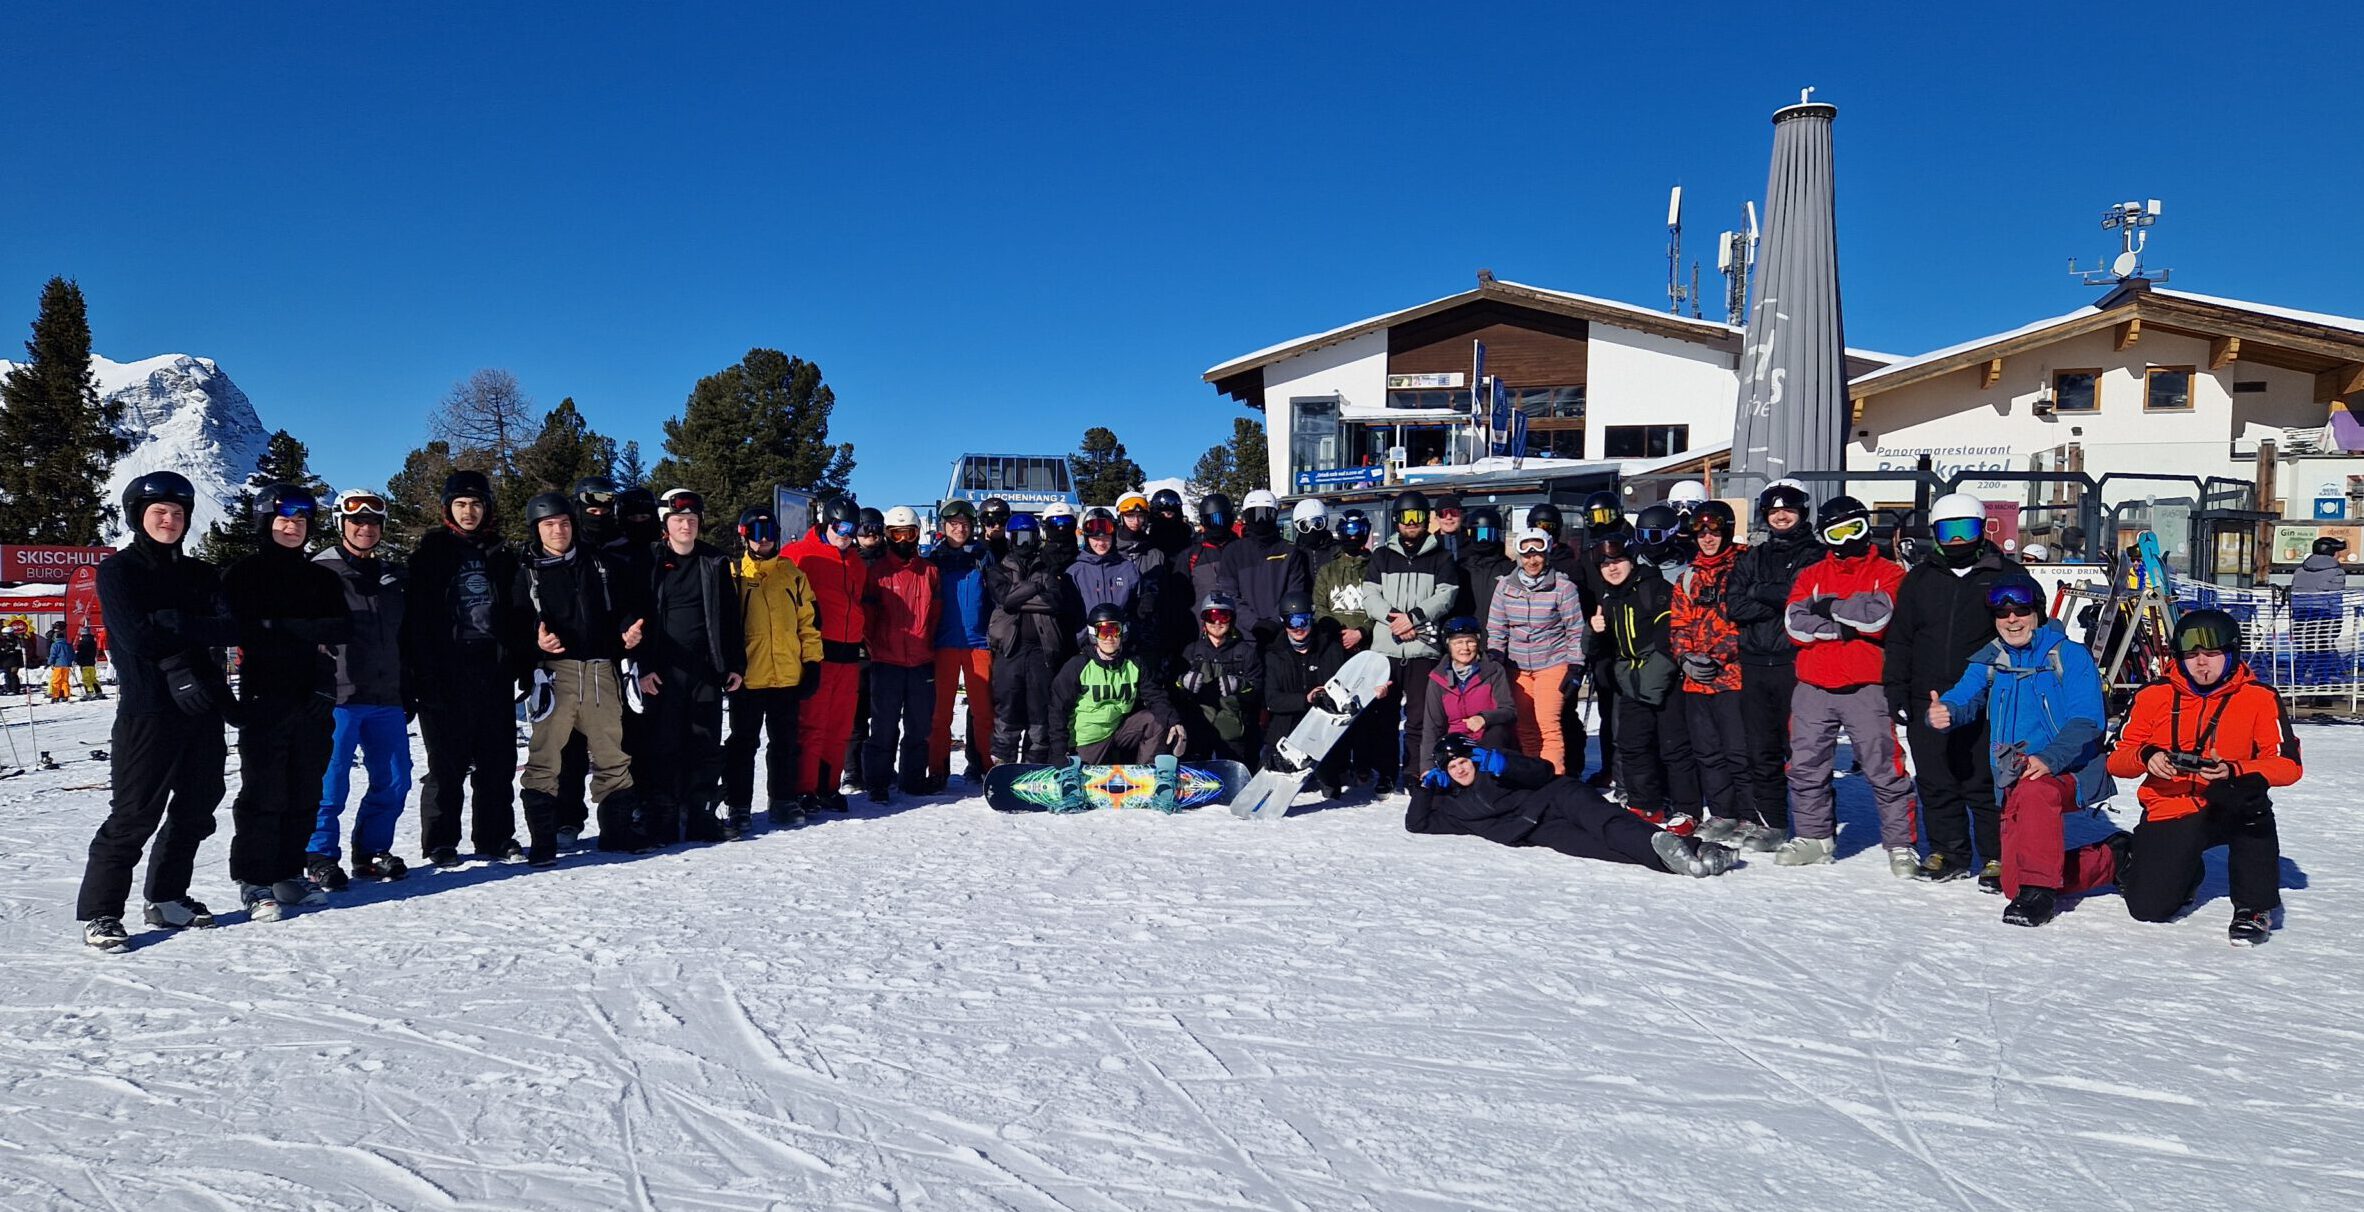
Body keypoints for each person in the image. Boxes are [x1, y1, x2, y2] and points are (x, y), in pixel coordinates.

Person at [78, 472, 238, 949]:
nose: (169, 520)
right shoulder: (119, 571)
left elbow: (227, 628)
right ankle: (102, 913)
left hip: (202, 709)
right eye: (159, 513)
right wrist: (185, 643)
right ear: (138, 518)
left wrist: (178, 622)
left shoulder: (202, 574)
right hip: (148, 711)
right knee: (133, 814)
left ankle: (167, 897)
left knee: (197, 806)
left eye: (177, 513)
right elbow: (136, 638)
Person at [1926, 576, 2120, 927]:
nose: (2011, 619)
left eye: (2021, 610)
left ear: (2038, 613)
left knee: (2036, 794)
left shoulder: (2070, 656)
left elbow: (2088, 720)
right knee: (2014, 883)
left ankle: (2040, 895)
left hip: (2069, 770)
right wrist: (1948, 711)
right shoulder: (1991, 658)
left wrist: (2049, 758)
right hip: (2013, 775)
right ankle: (2115, 858)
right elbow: (1965, 694)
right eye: (2003, 612)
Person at [2105, 609, 2303, 943]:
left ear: (2231, 653)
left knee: (2251, 795)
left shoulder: (2259, 697)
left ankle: (2253, 907)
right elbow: (2114, 759)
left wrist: (2235, 769)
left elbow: (2288, 765)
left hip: (2230, 803)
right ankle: (2138, 854)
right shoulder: (2154, 695)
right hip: (2172, 804)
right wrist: (2147, 757)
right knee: (2149, 908)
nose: (2201, 663)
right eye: (2192, 655)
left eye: (2212, 655)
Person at [222, 484, 353, 921]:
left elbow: (340, 628)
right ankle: (254, 878)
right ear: (265, 522)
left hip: (313, 695)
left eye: (300, 521)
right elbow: (231, 634)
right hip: (264, 696)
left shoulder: (320, 577)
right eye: (283, 520)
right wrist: (296, 630)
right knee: (264, 790)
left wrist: (281, 629)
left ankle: (287, 872)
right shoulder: (242, 575)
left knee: (306, 788)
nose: (293, 527)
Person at [1886, 492, 2024, 887]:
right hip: (1927, 695)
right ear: (1936, 534)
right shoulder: (1921, 578)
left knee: (1984, 777)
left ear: (1982, 531)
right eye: (1950, 531)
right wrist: (1896, 688)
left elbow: (2028, 630)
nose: (1958, 539)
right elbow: (1901, 638)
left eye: (1967, 529)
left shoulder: (2005, 576)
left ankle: (1996, 854)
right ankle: (1948, 850)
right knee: (1935, 775)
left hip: (1987, 694)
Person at [1777, 495, 1920, 873]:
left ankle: (1901, 843)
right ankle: (1814, 835)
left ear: (1865, 528)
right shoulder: (1810, 575)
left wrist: (1827, 608)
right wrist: (1845, 621)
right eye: (1836, 533)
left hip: (1866, 684)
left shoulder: (1888, 573)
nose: (1847, 540)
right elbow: (1794, 623)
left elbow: (1879, 618)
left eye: (1853, 529)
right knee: (1806, 764)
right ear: (1825, 536)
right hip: (1813, 684)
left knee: (1883, 767)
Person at [512, 491, 646, 864]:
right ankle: (544, 841)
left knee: (613, 755)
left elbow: (620, 609)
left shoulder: (599, 564)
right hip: (556, 675)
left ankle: (616, 833)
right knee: (545, 757)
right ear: (537, 529)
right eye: (550, 525)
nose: (559, 531)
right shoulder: (527, 571)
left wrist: (626, 633)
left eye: (565, 523)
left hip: (601, 670)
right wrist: (535, 641)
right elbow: (514, 623)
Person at [402, 470, 521, 866]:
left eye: (476, 504)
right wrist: (420, 674)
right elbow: (415, 621)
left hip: (492, 668)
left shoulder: (501, 554)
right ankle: (440, 841)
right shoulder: (429, 554)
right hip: (444, 670)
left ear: (486, 509)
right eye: (461, 504)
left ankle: (495, 836)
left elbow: (519, 611)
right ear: (447, 509)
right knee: (446, 764)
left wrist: (518, 659)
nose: (469, 512)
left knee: (497, 760)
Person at [1405, 735, 1732, 877]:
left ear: (1474, 758)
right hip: (1541, 830)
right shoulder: (1454, 810)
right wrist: (1425, 790)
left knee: (1607, 824)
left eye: (1463, 761)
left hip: (1559, 797)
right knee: (1601, 848)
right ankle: (1684, 858)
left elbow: (1543, 772)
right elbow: (1416, 824)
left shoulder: (1495, 768)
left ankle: (1693, 849)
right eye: (1452, 767)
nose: (1461, 769)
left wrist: (1503, 764)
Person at [307, 489, 412, 888]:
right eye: (357, 522)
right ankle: (318, 854)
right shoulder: (321, 573)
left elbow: (405, 636)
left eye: (373, 523)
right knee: (331, 783)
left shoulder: (390, 576)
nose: (365, 528)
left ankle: (370, 851)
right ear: (341, 524)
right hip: (339, 696)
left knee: (395, 778)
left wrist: (410, 685)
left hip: (386, 695)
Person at [635, 489, 746, 845]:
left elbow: (730, 618)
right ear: (666, 525)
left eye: (692, 520)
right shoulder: (650, 560)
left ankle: (701, 813)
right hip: (664, 670)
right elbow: (640, 618)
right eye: (679, 520)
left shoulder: (713, 561)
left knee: (705, 744)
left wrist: (734, 663)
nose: (686, 525)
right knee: (663, 744)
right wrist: (643, 666)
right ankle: (664, 815)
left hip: (706, 669)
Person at [1723, 480, 1820, 845]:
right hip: (1754, 661)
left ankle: (1814, 827)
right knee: (1760, 749)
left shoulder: (1816, 555)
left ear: (1801, 512)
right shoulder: (1752, 557)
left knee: (1804, 750)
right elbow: (1735, 606)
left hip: (1795, 662)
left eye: (1788, 510)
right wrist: (1777, 598)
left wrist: (1760, 592)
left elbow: (1804, 600)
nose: (1781, 516)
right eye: (1774, 510)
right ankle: (1773, 822)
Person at [1672, 501, 1772, 850]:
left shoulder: (1745, 566)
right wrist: (1685, 656)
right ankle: (1722, 812)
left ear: (1727, 531)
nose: (1708, 539)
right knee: (1707, 750)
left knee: (1738, 749)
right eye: (1701, 533)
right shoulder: (1690, 575)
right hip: (1695, 679)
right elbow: (1679, 622)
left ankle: (1749, 814)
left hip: (1733, 676)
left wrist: (1717, 655)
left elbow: (1744, 620)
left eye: (1714, 532)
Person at [723, 503, 820, 833]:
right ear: (745, 537)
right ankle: (737, 805)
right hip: (748, 677)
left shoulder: (793, 575)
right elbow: (722, 625)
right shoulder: (734, 574)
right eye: (757, 535)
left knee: (785, 742)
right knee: (742, 742)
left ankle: (783, 799)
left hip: (786, 676)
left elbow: (809, 623)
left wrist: (812, 662)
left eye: (769, 534)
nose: (763, 542)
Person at [1591, 535, 1699, 826]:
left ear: (1631, 561)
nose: (1612, 569)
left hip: (1665, 681)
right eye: (1605, 565)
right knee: (1632, 744)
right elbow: (1599, 651)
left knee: (1674, 746)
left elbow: (1668, 637)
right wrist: (1595, 632)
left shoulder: (1655, 587)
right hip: (1633, 683)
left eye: (1618, 562)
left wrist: (1648, 682)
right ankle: (1645, 804)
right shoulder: (1608, 598)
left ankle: (1687, 808)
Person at [1364, 490, 1460, 793]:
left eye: (1418, 517)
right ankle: (1387, 773)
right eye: (1405, 518)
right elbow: (1370, 598)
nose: (1411, 523)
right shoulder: (1381, 556)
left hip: (1422, 649)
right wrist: (1397, 619)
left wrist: (1414, 617)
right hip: (1386, 650)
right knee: (1384, 717)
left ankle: (1414, 771)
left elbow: (1446, 596)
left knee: (1420, 718)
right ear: (1396, 521)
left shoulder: (1440, 556)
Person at [787, 495, 869, 814]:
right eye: (842, 527)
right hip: (818, 653)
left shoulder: (856, 562)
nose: (847, 534)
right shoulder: (799, 555)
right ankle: (804, 788)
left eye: (853, 529)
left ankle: (827, 786)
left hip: (849, 655)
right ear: (826, 522)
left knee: (840, 726)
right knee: (813, 724)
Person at [1486, 528, 1585, 774]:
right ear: (1519, 555)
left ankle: (1555, 777)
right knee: (1525, 725)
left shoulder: (1563, 587)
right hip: (1517, 665)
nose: (1532, 560)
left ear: (1547, 552)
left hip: (1552, 662)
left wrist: (1575, 665)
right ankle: (1535, 775)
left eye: (1538, 553)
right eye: (1526, 554)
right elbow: (1497, 627)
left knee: (1548, 723)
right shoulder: (1506, 587)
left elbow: (1575, 629)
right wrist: (1496, 655)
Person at [863, 506, 942, 803]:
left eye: (908, 533)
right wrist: (876, 645)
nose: (903, 539)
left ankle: (912, 779)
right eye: (896, 534)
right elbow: (868, 616)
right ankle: (878, 782)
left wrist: (927, 641)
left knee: (919, 726)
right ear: (887, 535)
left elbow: (936, 612)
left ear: (917, 533)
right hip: (887, 660)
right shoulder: (878, 572)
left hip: (921, 661)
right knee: (883, 725)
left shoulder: (929, 571)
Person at [992, 513, 1079, 764]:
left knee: (1039, 707)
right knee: (1008, 704)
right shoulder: (999, 569)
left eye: (1029, 537)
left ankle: (1035, 762)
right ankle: (1003, 761)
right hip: (1011, 648)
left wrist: (1020, 597)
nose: (1024, 543)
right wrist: (1034, 589)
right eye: (1019, 537)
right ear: (1010, 539)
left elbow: (1054, 602)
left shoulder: (1048, 568)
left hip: (1042, 648)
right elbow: (1005, 599)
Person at [1051, 603, 1186, 764]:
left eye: (1114, 631)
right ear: (1094, 635)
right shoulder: (1078, 665)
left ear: (1123, 632)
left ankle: (1146, 775)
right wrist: (1059, 751)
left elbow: (1155, 696)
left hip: (1119, 732)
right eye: (1104, 632)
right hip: (1087, 740)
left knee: (1155, 721)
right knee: (1084, 777)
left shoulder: (1134, 664)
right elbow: (1057, 709)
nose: (1110, 638)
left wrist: (1173, 721)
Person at [1317, 509, 1394, 789]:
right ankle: (1337, 765)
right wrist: (1338, 634)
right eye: (1347, 531)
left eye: (1357, 531)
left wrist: (1361, 631)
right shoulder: (1328, 568)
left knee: (1366, 710)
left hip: (1367, 645)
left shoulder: (1375, 566)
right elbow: (1321, 606)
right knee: (1337, 706)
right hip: (1335, 646)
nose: (1352, 537)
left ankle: (1363, 762)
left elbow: (1381, 605)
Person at [925, 499, 996, 790]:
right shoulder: (935, 559)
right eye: (954, 524)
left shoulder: (983, 556)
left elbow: (996, 596)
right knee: (940, 712)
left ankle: (987, 767)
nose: (959, 529)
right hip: (944, 644)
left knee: (983, 711)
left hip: (978, 643)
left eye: (965, 525)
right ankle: (937, 769)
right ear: (944, 527)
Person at [1262, 589, 1350, 796]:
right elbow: (1272, 699)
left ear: (1311, 619)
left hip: (1321, 726)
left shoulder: (1330, 650)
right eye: (1291, 622)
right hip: (1288, 725)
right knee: (1268, 760)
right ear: (1284, 623)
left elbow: (1343, 687)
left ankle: (1332, 775)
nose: (1298, 628)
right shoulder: (1275, 654)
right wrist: (1305, 698)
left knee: (1330, 782)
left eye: (1302, 621)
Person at [1174, 591, 1263, 766]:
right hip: (1199, 729)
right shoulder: (1191, 651)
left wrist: (1240, 685)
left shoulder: (1246, 652)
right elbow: (1174, 691)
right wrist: (1182, 683)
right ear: (1203, 621)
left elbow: (1259, 690)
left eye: (1223, 616)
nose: (1216, 622)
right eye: (1210, 616)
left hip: (1234, 732)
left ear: (1232, 619)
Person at [1217, 488, 1310, 648]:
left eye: (1266, 514)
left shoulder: (1289, 551)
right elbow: (1229, 594)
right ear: (1246, 517)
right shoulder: (1234, 551)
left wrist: (1275, 621)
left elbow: (1294, 592)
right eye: (1255, 515)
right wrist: (1253, 624)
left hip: (1282, 634)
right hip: (1243, 636)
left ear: (1274, 515)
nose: (1260, 521)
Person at [1422, 616, 1516, 752]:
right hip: (1456, 743)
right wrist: (1427, 768)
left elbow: (1509, 711)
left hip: (1488, 740)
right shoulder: (1438, 678)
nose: (1465, 648)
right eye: (1458, 643)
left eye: (1470, 642)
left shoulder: (1493, 670)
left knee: (1498, 733)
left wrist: (1484, 718)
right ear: (1448, 644)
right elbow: (1432, 727)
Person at [2289, 535, 2347, 687]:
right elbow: (2335, 598)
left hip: (2301, 616)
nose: (2339, 555)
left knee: (2305, 651)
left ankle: (2293, 682)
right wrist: (2337, 622)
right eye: (2337, 551)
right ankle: (2321, 684)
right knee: (2324, 650)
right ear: (2331, 553)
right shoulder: (2336, 572)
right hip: (2325, 616)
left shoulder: (2300, 570)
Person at [1458, 506, 1514, 629]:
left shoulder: (1510, 570)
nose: (1484, 540)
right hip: (1468, 638)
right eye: (1479, 534)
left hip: (1500, 638)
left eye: (1490, 534)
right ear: (1471, 534)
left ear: (1498, 534)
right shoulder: (1462, 568)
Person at [1183, 492, 1236, 610]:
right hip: (1202, 623)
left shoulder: (1242, 550)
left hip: (1239, 623)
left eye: (1221, 520)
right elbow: (1179, 596)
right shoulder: (1192, 555)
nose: (1218, 526)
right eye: (1211, 520)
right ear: (1203, 522)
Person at [1290, 498, 1339, 576]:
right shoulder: (1294, 554)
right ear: (1297, 527)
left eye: (1318, 524)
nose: (1312, 529)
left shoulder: (1338, 551)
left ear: (1325, 522)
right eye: (1305, 526)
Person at [1431, 493, 1465, 559]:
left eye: (1454, 513)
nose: (1449, 517)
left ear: (1462, 515)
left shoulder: (1474, 546)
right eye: (1443, 514)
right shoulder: (1429, 547)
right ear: (1437, 518)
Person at [75, 626, 103, 700]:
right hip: (92, 663)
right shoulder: (93, 642)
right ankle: (99, 692)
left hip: (84, 664)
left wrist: (77, 660)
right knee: (93, 679)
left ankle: (89, 693)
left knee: (86, 679)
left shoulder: (82, 643)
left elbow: (80, 654)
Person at [46, 624, 73, 703]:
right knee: (65, 681)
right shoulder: (68, 645)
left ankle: (55, 696)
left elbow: (53, 655)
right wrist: (71, 662)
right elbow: (72, 654)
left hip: (58, 665)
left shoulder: (55, 645)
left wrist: (49, 662)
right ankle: (66, 695)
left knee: (56, 681)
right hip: (66, 665)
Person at [0, 624, 20, 694]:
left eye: (7, 635)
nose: (6, 637)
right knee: (7, 675)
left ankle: (15, 689)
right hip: (5, 661)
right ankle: (8, 688)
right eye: (4, 635)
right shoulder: (2, 641)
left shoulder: (17, 640)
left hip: (15, 661)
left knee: (13, 674)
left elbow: (19, 651)